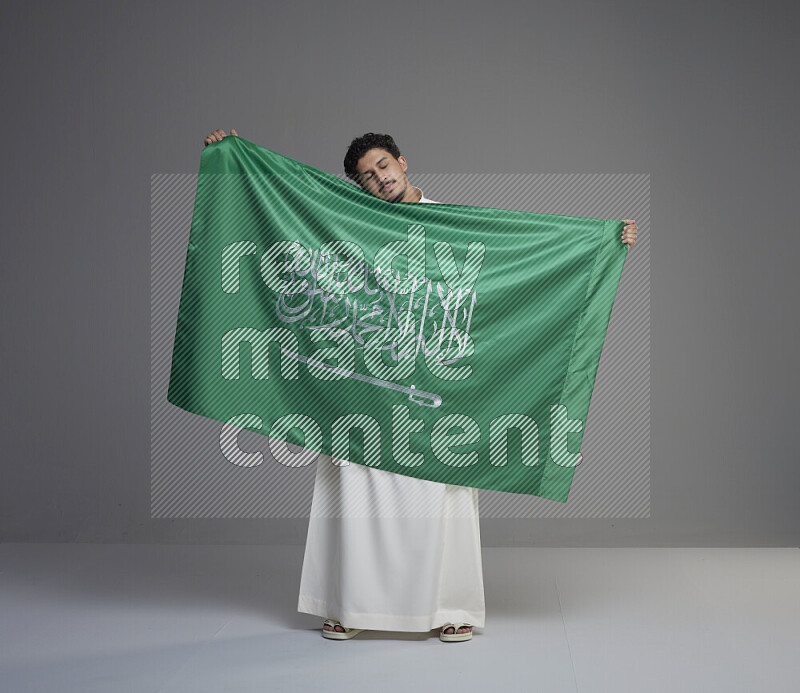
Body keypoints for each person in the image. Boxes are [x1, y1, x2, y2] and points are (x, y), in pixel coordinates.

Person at [203, 130, 637, 643]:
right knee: (357, 493)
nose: (379, 177)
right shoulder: (349, 228)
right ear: (358, 186)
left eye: (384, 165)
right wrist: (232, 155)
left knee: (442, 494)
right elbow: (291, 220)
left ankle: (450, 608)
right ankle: (349, 606)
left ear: (403, 163)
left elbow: (520, 254)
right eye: (367, 174)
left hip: (433, 384)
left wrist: (602, 243)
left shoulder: (452, 228)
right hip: (364, 382)